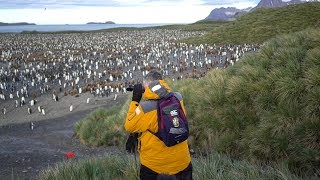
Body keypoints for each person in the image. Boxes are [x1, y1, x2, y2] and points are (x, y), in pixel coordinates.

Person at [124, 70, 192, 180]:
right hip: (183, 163)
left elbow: (129, 125)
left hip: (155, 167)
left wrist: (135, 100)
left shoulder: (145, 108)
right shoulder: (178, 98)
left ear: (147, 85)